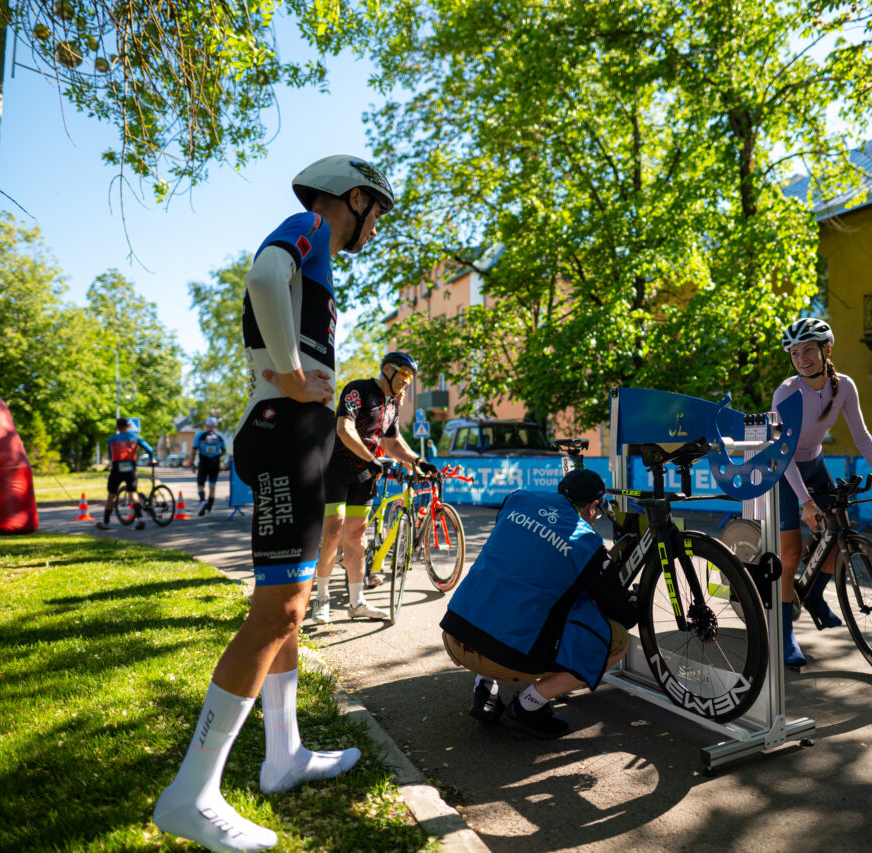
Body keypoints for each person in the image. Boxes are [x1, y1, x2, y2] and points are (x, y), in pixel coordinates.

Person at [153, 155, 395, 853]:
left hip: (298, 437)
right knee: (279, 611)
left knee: (286, 605)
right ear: (355, 198)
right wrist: (292, 374)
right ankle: (191, 793)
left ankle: (282, 754)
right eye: (375, 212)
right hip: (286, 433)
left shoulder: (316, 245)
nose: (374, 226)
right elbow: (263, 274)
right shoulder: (310, 226)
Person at [440, 469, 636, 739]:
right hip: (503, 657)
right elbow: (623, 615)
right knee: (617, 640)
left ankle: (484, 687)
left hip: (454, 634)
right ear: (593, 507)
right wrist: (631, 602)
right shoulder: (588, 543)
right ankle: (527, 707)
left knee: (503, 591)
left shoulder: (518, 500)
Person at [772, 317, 872, 669]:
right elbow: (784, 451)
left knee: (838, 535)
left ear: (826, 349)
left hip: (816, 465)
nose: (801, 358)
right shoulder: (786, 392)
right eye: (794, 353)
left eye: (808, 350)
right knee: (789, 556)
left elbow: (862, 436)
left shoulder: (844, 386)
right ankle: (785, 630)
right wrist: (805, 502)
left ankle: (816, 596)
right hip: (784, 471)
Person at [311, 352, 437, 623]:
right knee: (334, 533)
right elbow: (344, 429)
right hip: (337, 469)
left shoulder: (392, 404)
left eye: (411, 377)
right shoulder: (359, 389)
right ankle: (321, 598)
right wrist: (372, 458)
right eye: (403, 374)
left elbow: (392, 443)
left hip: (366, 474)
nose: (407, 381)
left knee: (356, 537)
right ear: (388, 370)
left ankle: (357, 602)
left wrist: (419, 461)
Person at [97, 417, 154, 531]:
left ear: (117, 427)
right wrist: (151, 459)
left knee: (111, 496)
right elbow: (150, 449)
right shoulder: (135, 438)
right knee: (133, 494)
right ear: (128, 427)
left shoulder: (111, 440)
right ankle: (140, 519)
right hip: (130, 469)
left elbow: (110, 455)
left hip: (117, 469)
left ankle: (106, 523)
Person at [188, 416, 227, 516]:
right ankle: (209, 510)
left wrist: (191, 463)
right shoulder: (219, 437)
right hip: (215, 464)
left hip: (203, 464)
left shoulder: (200, 436)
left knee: (200, 486)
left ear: (206, 426)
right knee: (212, 487)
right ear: (216, 426)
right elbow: (223, 451)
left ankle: (202, 502)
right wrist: (217, 455)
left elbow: (193, 450)